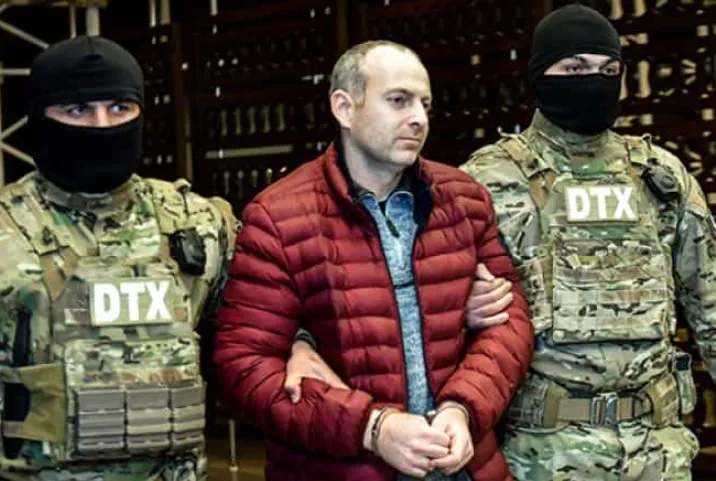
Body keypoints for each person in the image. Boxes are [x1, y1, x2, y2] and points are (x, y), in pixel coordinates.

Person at [287, 4, 716, 481]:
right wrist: (305, 342)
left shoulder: (661, 177)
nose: (594, 81)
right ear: (540, 74)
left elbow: (710, 305)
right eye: (575, 68)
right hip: (541, 453)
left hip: (659, 451)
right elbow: (397, 289)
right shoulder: (485, 180)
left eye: (608, 70)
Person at [213, 39, 534, 481]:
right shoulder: (279, 217)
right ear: (344, 108)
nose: (419, 118)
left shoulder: (464, 200)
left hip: (463, 466)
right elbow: (243, 366)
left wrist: (463, 407)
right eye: (398, 100)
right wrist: (371, 428)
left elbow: (510, 324)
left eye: (424, 103)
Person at [0, 35, 236, 481]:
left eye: (119, 108)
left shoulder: (197, 223)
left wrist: (302, 344)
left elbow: (269, 329)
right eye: (78, 110)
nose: (102, 125)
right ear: (40, 118)